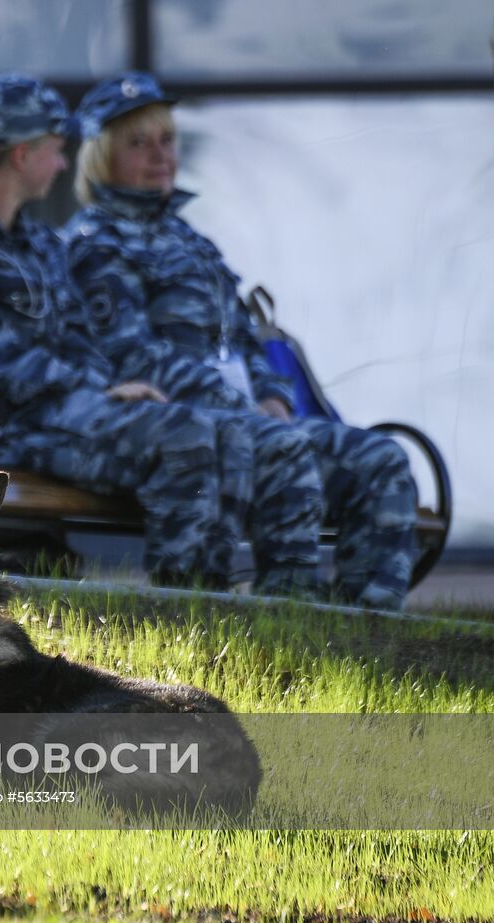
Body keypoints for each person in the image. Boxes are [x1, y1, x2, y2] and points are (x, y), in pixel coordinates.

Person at [64, 71, 417, 608]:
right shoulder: (97, 246)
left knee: (382, 459)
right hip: (192, 433)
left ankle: (366, 625)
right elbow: (131, 356)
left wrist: (273, 394)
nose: (160, 156)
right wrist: (238, 404)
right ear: (102, 157)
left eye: (167, 140)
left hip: (251, 420)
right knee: (288, 445)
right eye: (139, 144)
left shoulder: (191, 240)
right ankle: (289, 619)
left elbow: (246, 339)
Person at [0, 73, 243, 589]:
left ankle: (213, 595)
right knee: (183, 436)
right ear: (22, 155)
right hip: (10, 428)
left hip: (68, 412)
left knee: (204, 424)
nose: (63, 165)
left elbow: (80, 334)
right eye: (56, 151)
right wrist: (95, 388)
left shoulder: (40, 243)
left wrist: (108, 385)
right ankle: (188, 601)